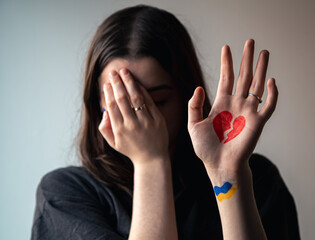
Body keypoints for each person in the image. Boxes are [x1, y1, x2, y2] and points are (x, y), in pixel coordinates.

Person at [31, 4, 300, 240]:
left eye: (157, 102)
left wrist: (228, 174)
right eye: (122, 102)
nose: (143, 119)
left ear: (187, 95)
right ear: (97, 106)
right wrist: (150, 160)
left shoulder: (257, 178)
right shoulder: (65, 195)